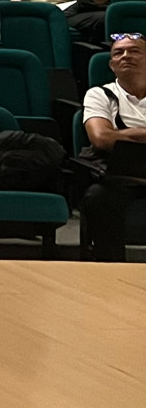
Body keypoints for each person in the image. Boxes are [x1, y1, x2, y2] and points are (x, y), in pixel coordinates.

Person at [79, 34, 146, 262]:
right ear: (111, 65)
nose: (126, 56)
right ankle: (111, 272)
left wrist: (125, 135)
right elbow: (101, 138)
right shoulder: (100, 94)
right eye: (118, 53)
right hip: (120, 177)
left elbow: (112, 135)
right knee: (97, 198)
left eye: (134, 51)